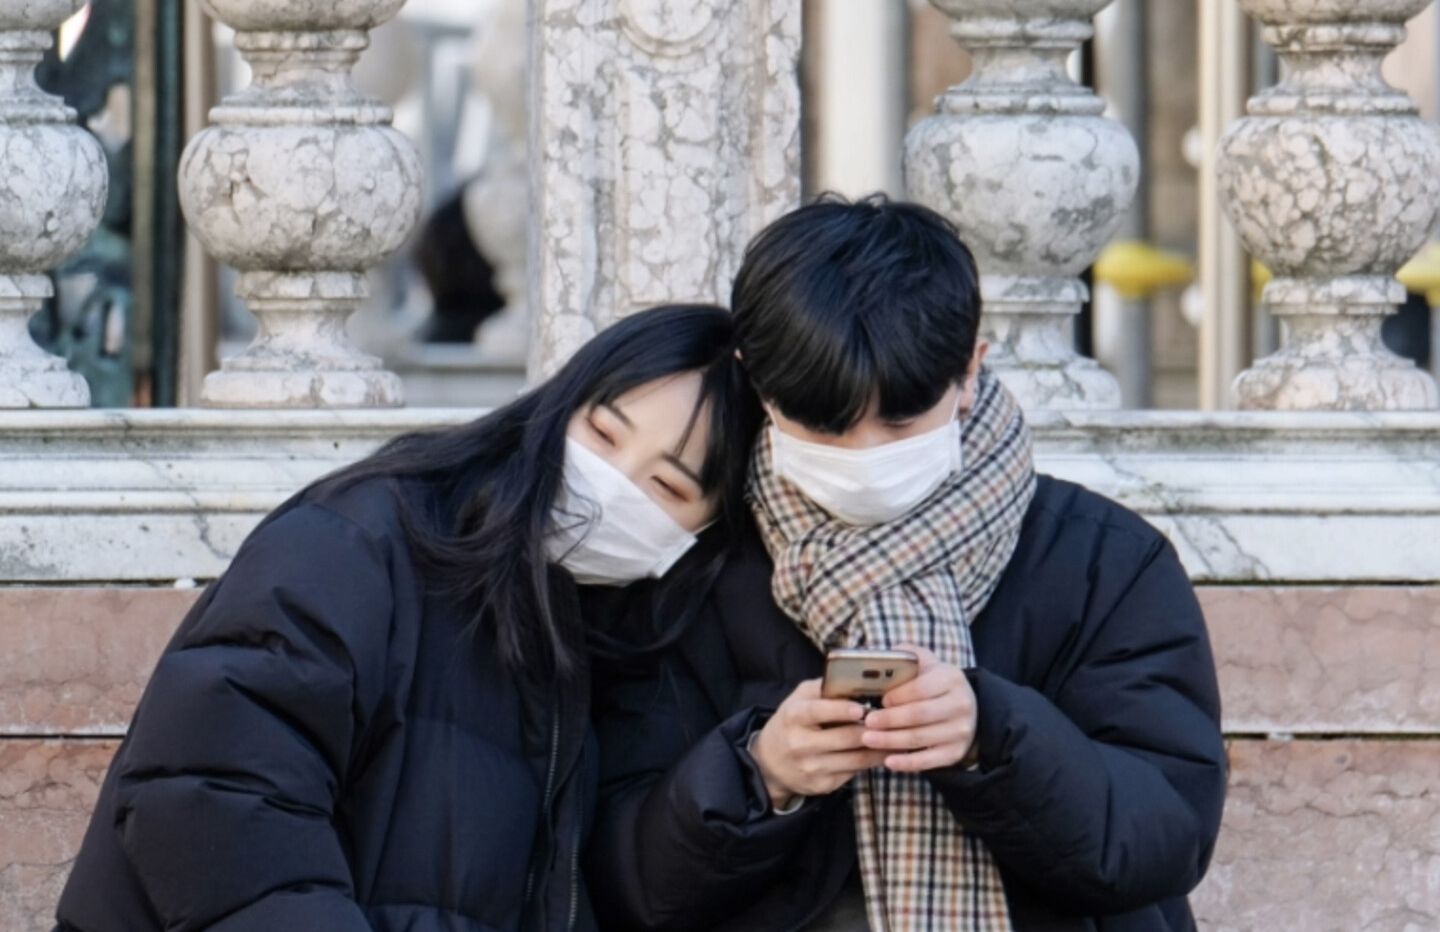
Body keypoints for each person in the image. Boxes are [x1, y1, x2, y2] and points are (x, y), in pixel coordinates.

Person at [588, 196, 1227, 932]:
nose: (865, 457)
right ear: (756, 382)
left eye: (899, 421)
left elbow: (1165, 836)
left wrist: (993, 734)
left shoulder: (1105, 560)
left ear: (968, 369)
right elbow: (617, 874)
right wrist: (759, 774)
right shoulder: (691, 565)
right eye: (823, 425)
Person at [54, 304, 763, 932]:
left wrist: (764, 774)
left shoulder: (604, 626)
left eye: (665, 484)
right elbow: (213, 796)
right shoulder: (362, 539)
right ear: (559, 404)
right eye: (604, 433)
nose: (613, 482)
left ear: (704, 535)